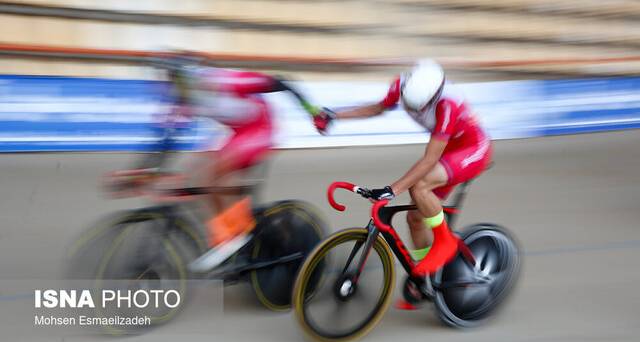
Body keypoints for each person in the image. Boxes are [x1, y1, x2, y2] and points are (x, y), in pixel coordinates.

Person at [314, 59, 493, 281]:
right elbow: (376, 108)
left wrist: (392, 189)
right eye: (408, 105)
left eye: (417, 108)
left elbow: (429, 160)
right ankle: (426, 278)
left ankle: (444, 240)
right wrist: (334, 114)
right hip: (449, 151)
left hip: (472, 149)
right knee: (415, 219)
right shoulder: (402, 85)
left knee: (420, 186)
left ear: (433, 97)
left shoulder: (448, 105)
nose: (410, 110)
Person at [158, 57, 324, 272]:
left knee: (213, 174)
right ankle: (230, 231)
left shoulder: (226, 82)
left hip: (262, 128)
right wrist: (145, 171)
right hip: (240, 132)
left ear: (186, 77)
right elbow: (167, 139)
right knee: (194, 170)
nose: (170, 85)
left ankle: (236, 234)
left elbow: (282, 82)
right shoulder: (186, 98)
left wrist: (312, 112)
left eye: (173, 79)